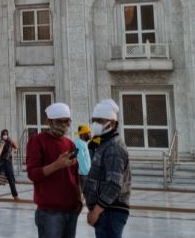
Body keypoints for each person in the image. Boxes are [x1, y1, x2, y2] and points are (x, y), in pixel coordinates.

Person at [26, 102, 82, 238]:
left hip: (71, 209)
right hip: (50, 211)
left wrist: (79, 199)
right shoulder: (37, 141)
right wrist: (57, 165)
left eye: (67, 122)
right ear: (48, 121)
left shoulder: (70, 143)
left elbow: (75, 175)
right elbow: (33, 174)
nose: (63, 125)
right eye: (59, 121)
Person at [83, 99, 131, 237]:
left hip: (110, 212)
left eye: (100, 121)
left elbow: (114, 184)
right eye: (94, 120)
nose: (95, 124)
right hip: (105, 211)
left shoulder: (114, 147)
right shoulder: (105, 144)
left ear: (113, 123)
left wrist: (96, 211)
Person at [0, 128, 19, 201]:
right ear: (1, 135)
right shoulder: (1, 141)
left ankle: (15, 196)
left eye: (6, 134)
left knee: (11, 180)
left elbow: (16, 146)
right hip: (4, 163)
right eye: (4, 134)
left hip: (8, 163)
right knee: (0, 180)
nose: (5, 135)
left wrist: (11, 140)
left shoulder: (9, 141)